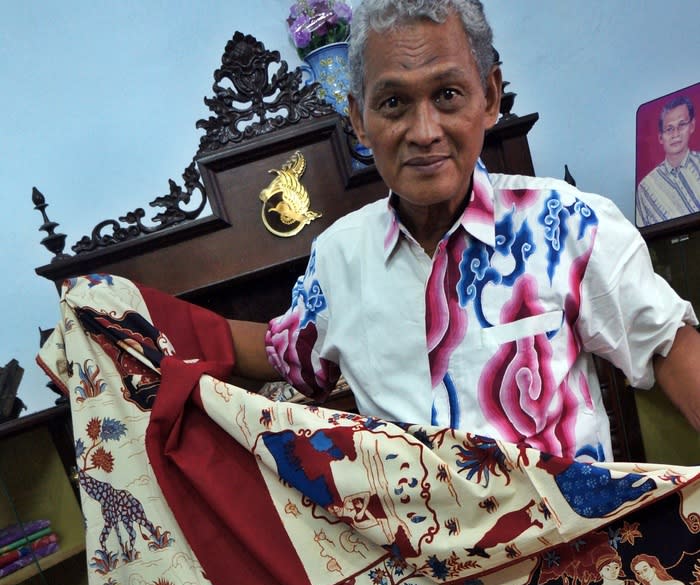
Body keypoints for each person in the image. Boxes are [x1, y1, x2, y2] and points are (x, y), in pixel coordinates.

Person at [227, 0, 700, 463]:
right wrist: (158, 328)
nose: (425, 131)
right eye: (393, 103)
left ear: (489, 96)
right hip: (419, 540)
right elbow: (283, 352)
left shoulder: (569, 224)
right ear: (359, 120)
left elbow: (667, 343)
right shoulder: (336, 260)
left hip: (571, 535)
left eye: (447, 95)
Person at [636, 94, 700, 227]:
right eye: (669, 129)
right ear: (661, 137)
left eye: (682, 125)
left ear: (692, 126)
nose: (675, 134)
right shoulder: (646, 187)